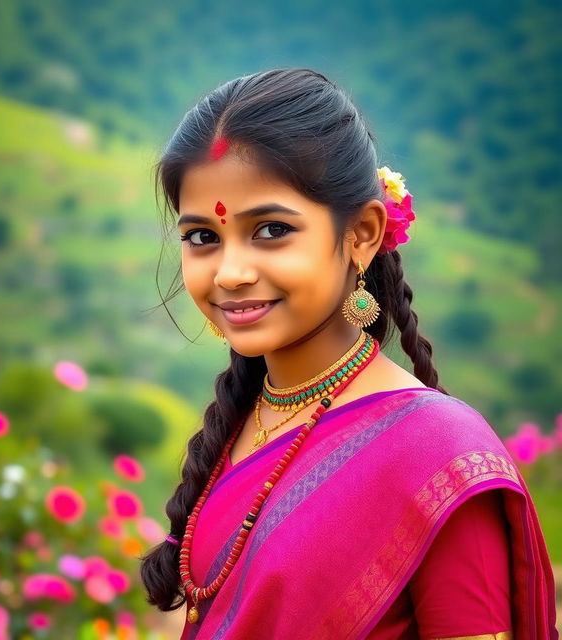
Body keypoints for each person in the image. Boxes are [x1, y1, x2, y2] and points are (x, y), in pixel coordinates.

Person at [139, 68, 558, 639]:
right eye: (202, 238)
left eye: (269, 231)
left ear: (361, 233)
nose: (231, 273)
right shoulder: (245, 424)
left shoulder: (437, 456)